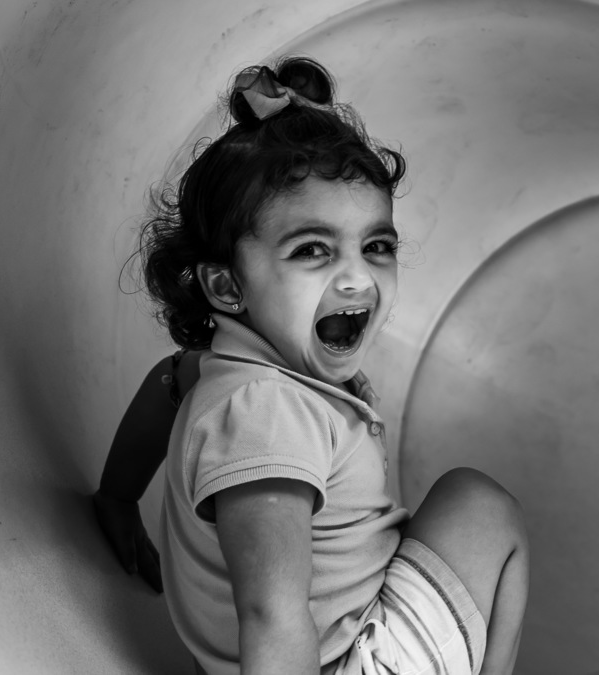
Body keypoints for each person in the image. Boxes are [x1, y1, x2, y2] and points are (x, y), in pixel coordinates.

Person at [92, 56, 529, 675]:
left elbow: (164, 387)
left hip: (328, 644)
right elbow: (272, 612)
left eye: (376, 245)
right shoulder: (267, 411)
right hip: (342, 663)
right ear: (225, 285)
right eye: (313, 249)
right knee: (480, 505)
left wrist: (116, 497)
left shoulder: (222, 372)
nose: (357, 275)